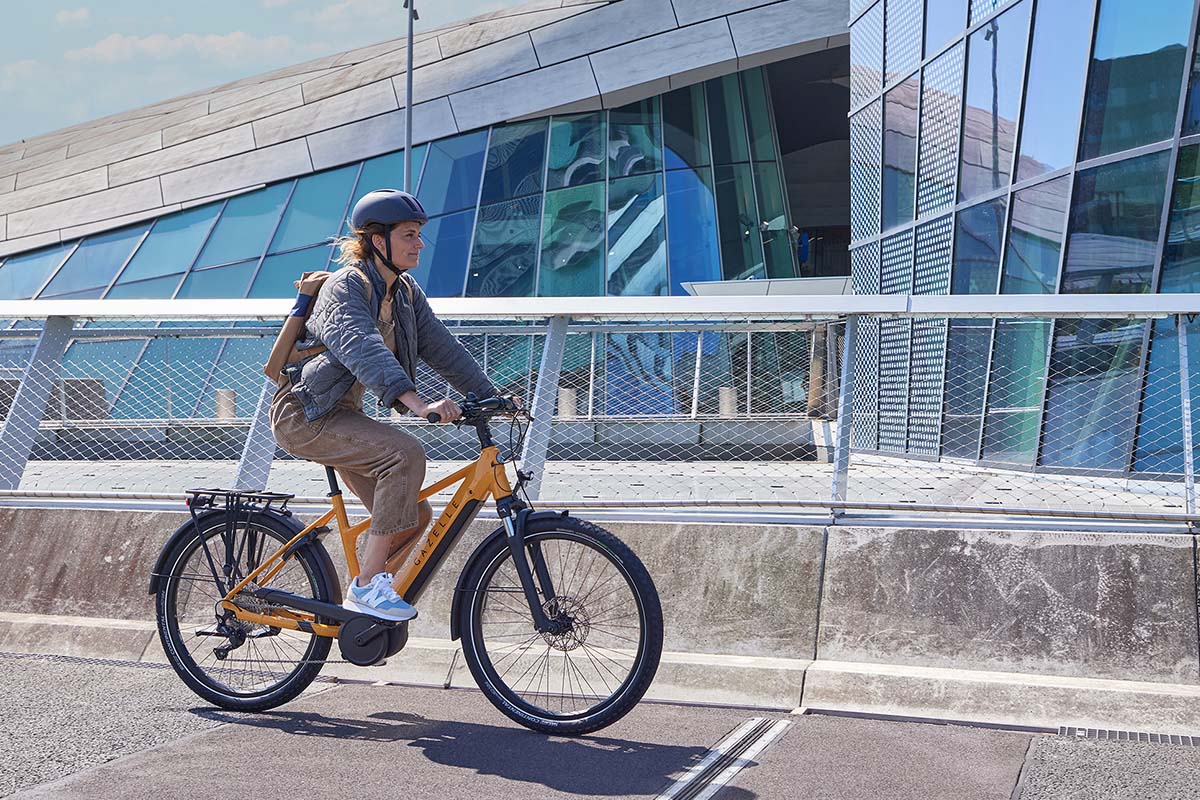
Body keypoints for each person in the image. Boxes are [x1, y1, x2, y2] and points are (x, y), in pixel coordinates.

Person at [269, 189, 501, 623]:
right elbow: (362, 345)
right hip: (305, 414)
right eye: (410, 235)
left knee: (413, 515)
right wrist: (414, 402)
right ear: (379, 241)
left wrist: (492, 396)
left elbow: (444, 349)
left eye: (419, 235)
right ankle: (367, 588)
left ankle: (363, 607)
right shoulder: (346, 287)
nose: (419, 244)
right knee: (405, 453)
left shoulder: (406, 293)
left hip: (342, 417)